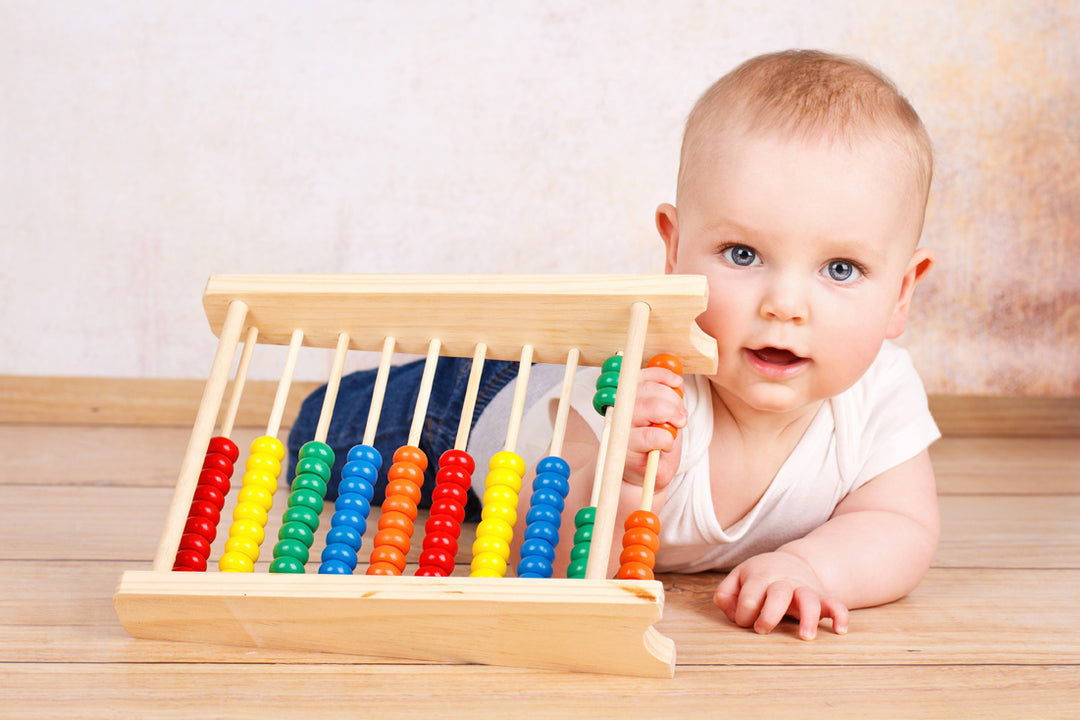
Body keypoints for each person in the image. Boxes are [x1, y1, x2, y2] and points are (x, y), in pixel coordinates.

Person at [289, 49, 939, 641]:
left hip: (532, 388)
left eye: (841, 270)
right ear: (675, 250)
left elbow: (899, 527)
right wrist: (625, 481)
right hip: (476, 408)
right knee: (320, 432)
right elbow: (538, 542)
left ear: (902, 293)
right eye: (743, 254)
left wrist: (809, 566)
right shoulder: (641, 391)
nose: (785, 306)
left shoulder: (880, 392)